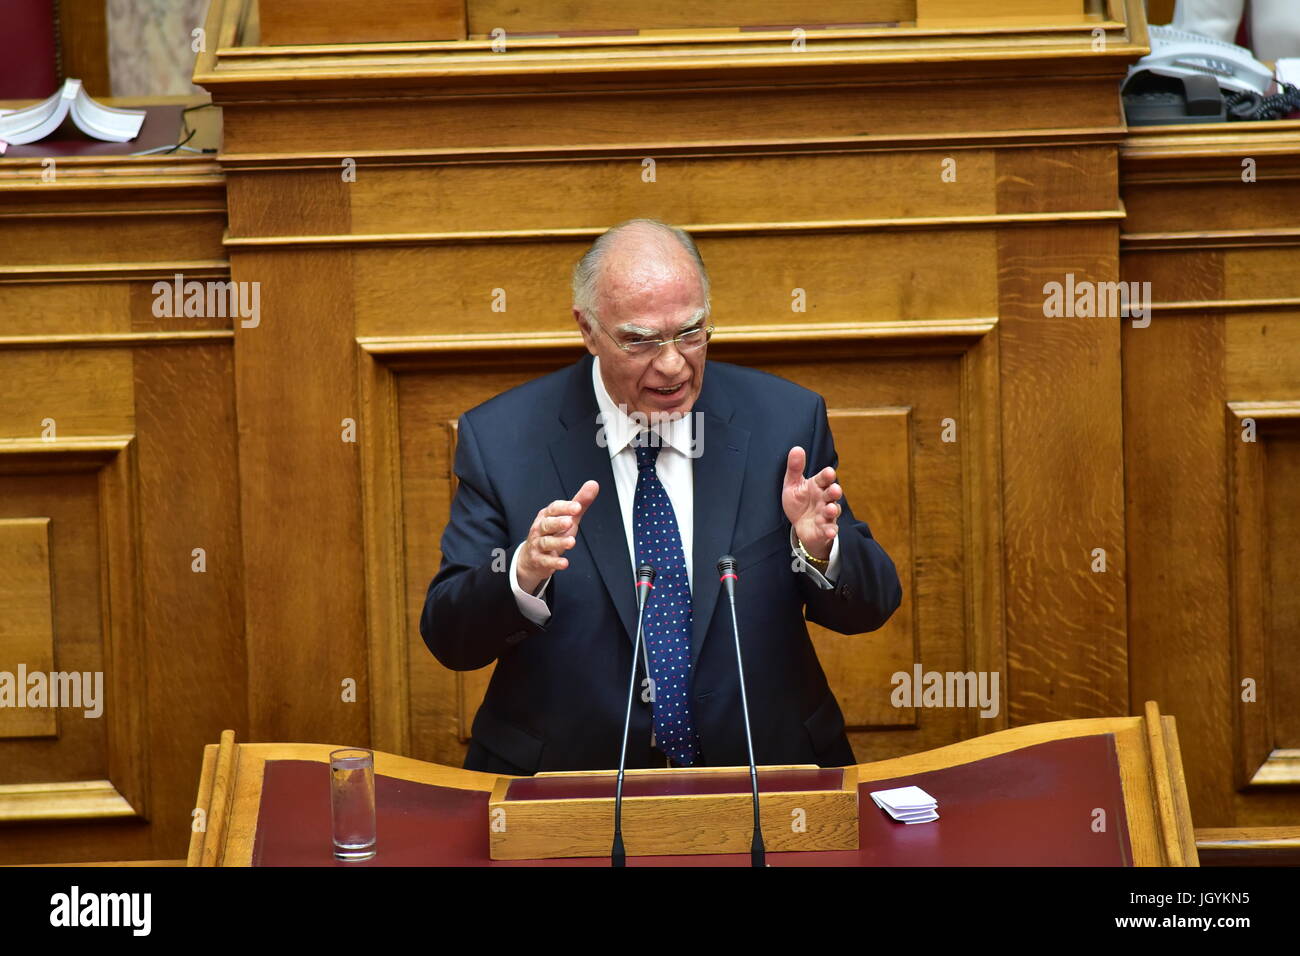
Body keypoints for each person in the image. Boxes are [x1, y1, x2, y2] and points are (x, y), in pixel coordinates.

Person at [421, 218, 902, 775]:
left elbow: (872, 606)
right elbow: (449, 639)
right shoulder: (502, 440)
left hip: (763, 781)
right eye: (640, 340)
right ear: (588, 329)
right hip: (565, 792)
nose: (672, 363)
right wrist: (521, 577)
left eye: (691, 332)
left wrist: (820, 550)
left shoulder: (783, 421)